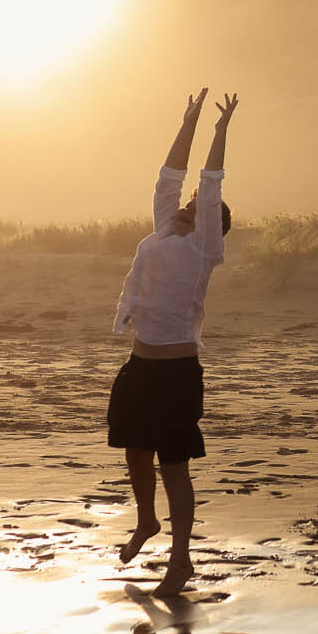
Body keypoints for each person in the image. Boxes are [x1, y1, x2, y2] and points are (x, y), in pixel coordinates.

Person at [109, 88, 237, 596]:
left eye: (196, 210)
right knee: (134, 451)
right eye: (185, 207)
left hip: (178, 372)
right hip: (140, 365)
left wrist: (220, 131)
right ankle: (147, 522)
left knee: (173, 466)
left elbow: (208, 185)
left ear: (212, 226)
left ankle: (180, 561)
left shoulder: (205, 249)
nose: (186, 208)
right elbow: (169, 179)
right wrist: (188, 120)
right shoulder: (163, 232)